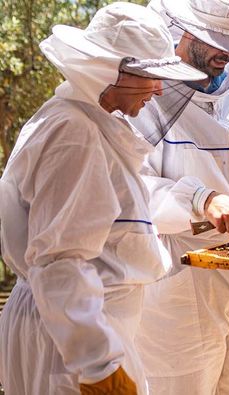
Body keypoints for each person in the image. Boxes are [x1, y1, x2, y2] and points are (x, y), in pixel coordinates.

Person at [0, 3, 206, 394]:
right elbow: (60, 258)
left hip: (75, 332)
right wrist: (98, 364)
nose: (160, 89)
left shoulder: (80, 123)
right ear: (111, 69)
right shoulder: (74, 132)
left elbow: (116, 214)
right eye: (151, 76)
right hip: (71, 346)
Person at [133, 1, 229, 393]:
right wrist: (202, 200)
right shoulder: (144, 99)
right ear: (183, 32)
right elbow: (130, 192)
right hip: (183, 280)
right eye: (218, 41)